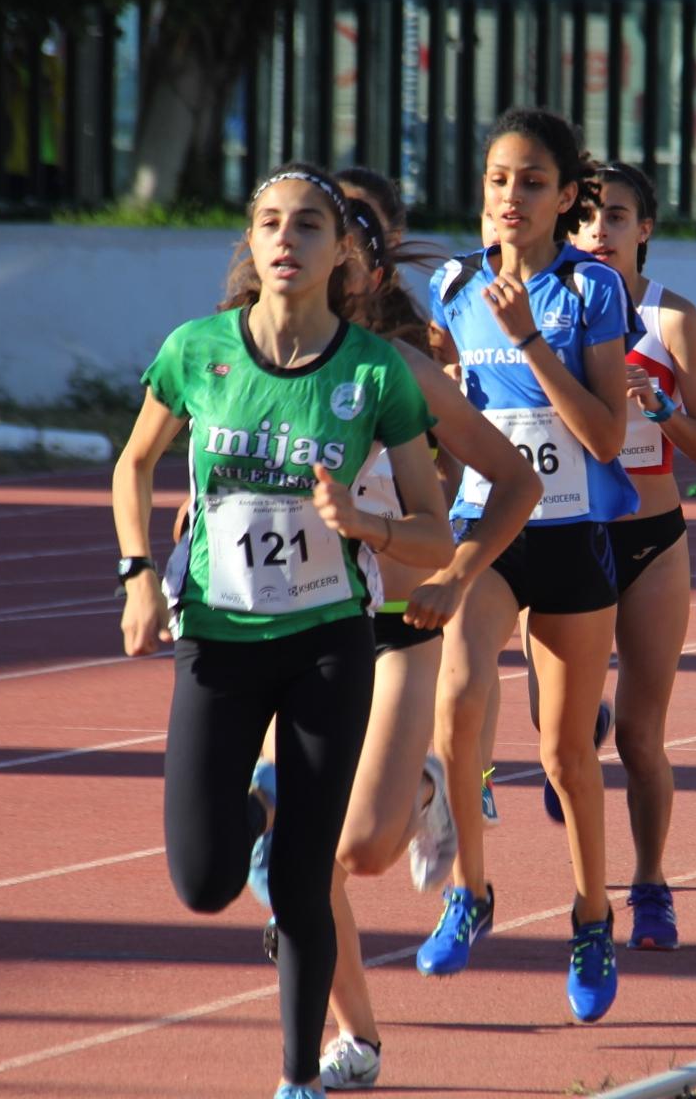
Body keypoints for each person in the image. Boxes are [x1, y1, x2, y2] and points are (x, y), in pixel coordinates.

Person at [112, 162, 453, 1099]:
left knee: (304, 879)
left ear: (341, 252)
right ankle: (258, 806)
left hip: (327, 645)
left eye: (307, 226)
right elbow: (134, 463)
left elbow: (434, 530)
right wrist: (136, 575)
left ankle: (300, 1078)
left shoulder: (374, 371)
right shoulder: (196, 351)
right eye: (269, 223)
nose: (285, 240)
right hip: (218, 643)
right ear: (250, 242)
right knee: (204, 880)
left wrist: (367, 524)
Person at [310, 171, 541, 1090]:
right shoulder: (240, 355)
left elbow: (501, 481)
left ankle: (427, 783)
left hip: (395, 621)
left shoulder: (405, 363)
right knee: (298, 854)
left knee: (364, 849)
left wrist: (448, 567)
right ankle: (352, 1037)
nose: (305, 252)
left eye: (335, 238)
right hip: (288, 627)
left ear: (366, 267)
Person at [420, 107, 639, 1024]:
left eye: (534, 182)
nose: (513, 196)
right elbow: (446, 412)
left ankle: (591, 918)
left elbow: (607, 436)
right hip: (486, 530)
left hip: (572, 534)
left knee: (564, 752)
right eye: (500, 179)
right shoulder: (451, 286)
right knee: (458, 701)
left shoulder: (592, 289)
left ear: (566, 196)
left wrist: (529, 342)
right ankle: (469, 890)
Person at [571, 162, 696, 949]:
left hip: (652, 541)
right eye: (586, 216)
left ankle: (651, 884)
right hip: (569, 534)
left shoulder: (673, 317)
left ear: (644, 229)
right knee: (559, 729)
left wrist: (658, 405)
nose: (599, 229)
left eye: (617, 215)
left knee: (639, 735)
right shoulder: (545, 308)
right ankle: (581, 718)